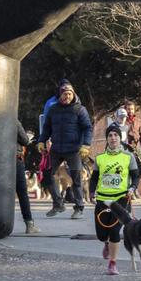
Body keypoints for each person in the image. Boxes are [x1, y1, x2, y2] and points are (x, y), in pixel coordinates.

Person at [88, 123, 139, 275]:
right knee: (102, 234)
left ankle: (113, 263)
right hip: (103, 198)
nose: (113, 138)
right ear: (107, 139)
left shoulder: (128, 157)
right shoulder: (100, 158)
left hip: (121, 198)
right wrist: (91, 192)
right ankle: (106, 243)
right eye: (110, 135)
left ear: (120, 138)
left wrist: (132, 188)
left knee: (115, 231)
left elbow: (136, 175)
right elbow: (94, 177)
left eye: (115, 135)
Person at [37, 80, 92, 219]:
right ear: (60, 95)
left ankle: (79, 208)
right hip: (56, 148)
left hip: (74, 149)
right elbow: (47, 128)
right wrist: (41, 141)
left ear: (73, 94)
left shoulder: (80, 109)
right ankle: (58, 204)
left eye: (69, 94)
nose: (67, 96)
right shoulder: (53, 109)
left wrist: (86, 144)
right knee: (49, 175)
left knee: (76, 179)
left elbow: (87, 128)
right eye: (64, 94)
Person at [15, 120, 40, 234]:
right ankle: (29, 224)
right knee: (22, 192)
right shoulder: (14, 121)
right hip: (15, 158)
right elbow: (25, 141)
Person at [123, 100, 141, 165]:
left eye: (132, 109)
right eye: (128, 109)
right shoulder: (122, 121)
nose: (130, 111)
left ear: (134, 110)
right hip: (126, 149)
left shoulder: (138, 121)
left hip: (138, 148)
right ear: (125, 110)